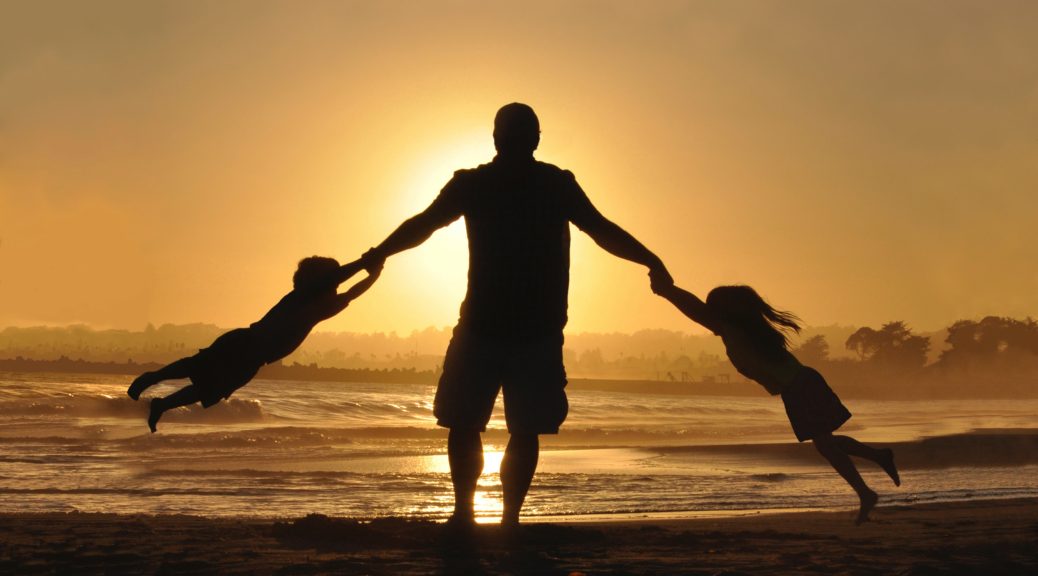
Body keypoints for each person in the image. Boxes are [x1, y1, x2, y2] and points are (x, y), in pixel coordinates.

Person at [360, 103, 671, 527]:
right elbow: (601, 230)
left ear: (495, 138)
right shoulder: (553, 185)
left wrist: (379, 254)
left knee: (466, 423)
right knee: (520, 429)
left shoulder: (479, 184)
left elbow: (424, 225)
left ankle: (466, 514)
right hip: (532, 330)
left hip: (489, 327)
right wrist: (650, 259)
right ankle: (507, 520)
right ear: (536, 139)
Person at [653, 282, 900, 524]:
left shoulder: (734, 329)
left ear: (723, 310)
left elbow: (694, 309)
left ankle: (866, 492)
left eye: (713, 306)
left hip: (800, 386)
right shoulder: (747, 329)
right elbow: (698, 310)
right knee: (826, 441)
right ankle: (878, 457)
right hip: (802, 384)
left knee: (825, 444)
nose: (709, 311)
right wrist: (667, 290)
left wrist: (668, 290)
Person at [127, 256, 382, 432]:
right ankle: (152, 377)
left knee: (211, 389)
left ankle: (161, 405)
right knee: (198, 365)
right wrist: (364, 264)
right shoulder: (300, 297)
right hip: (246, 342)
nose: (336, 287)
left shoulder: (323, 308)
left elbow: (352, 293)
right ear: (320, 282)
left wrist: (374, 273)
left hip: (255, 358)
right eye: (332, 282)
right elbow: (336, 280)